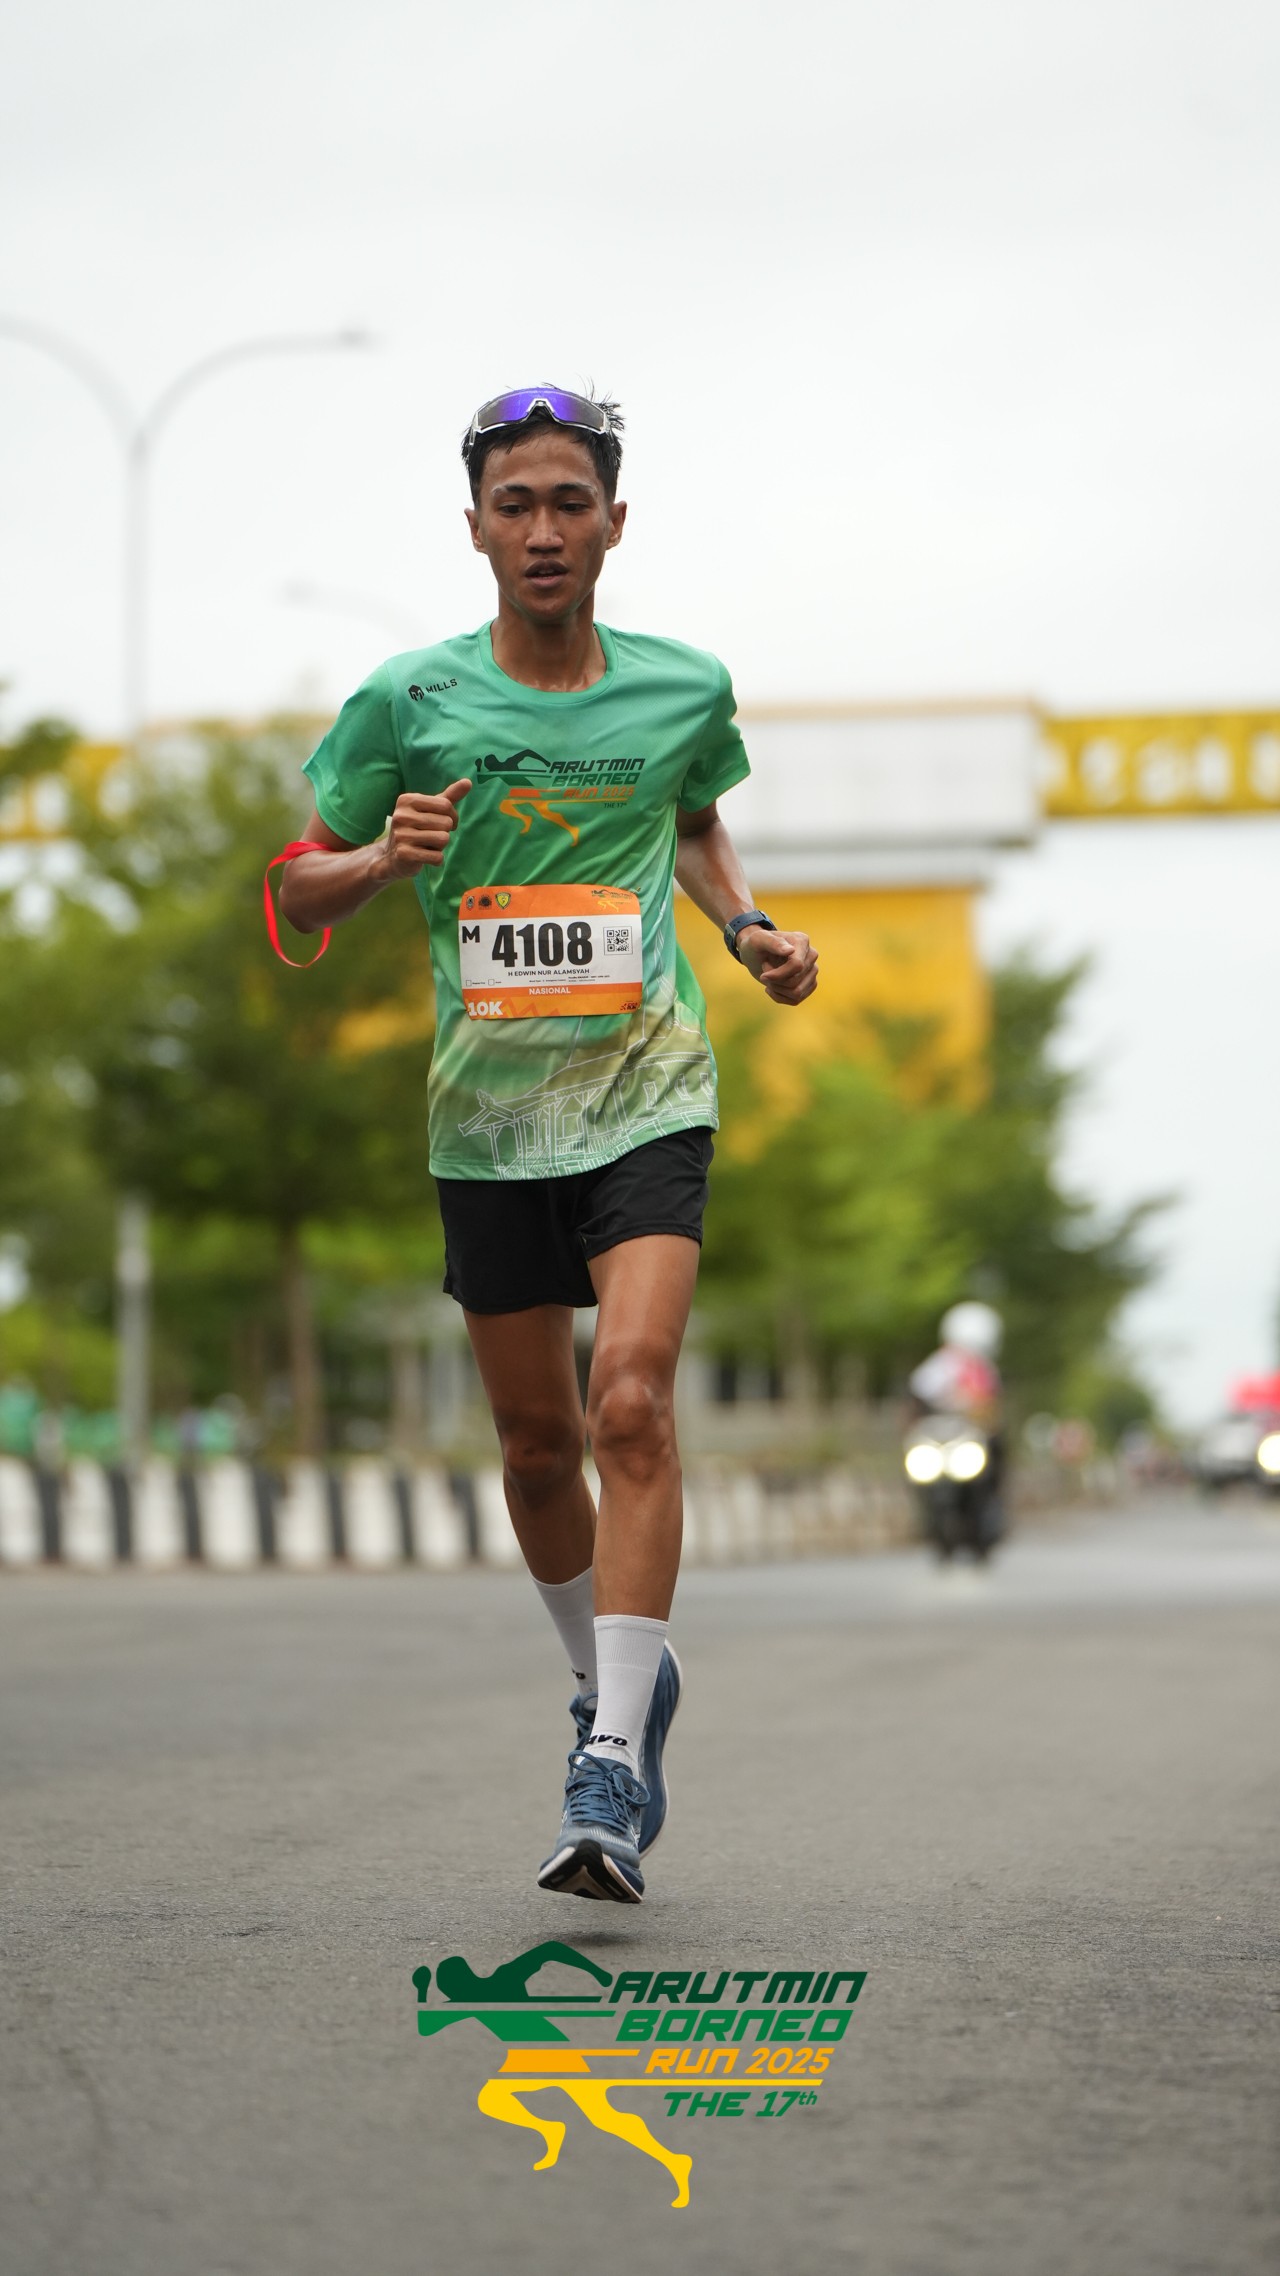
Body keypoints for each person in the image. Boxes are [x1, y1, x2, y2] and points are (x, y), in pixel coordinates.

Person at [278, 385, 817, 1903]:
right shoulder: (409, 700)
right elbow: (297, 884)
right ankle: (611, 1683)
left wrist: (749, 930)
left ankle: (613, 1762)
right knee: (533, 1447)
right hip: (487, 1117)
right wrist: (379, 860)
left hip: (648, 1088)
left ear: (614, 524)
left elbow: (692, 818)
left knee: (627, 1400)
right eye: (514, 504)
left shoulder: (682, 687)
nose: (542, 530)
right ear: (475, 529)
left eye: (569, 502)